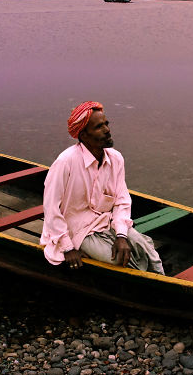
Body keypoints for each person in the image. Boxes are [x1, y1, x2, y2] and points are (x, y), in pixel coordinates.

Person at [41, 101, 164, 274]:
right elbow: (51, 208)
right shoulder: (65, 162)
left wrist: (121, 235)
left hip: (105, 221)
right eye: (99, 127)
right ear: (83, 135)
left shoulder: (116, 159)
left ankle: (160, 279)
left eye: (106, 124)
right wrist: (68, 248)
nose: (107, 130)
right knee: (119, 261)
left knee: (147, 250)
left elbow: (122, 200)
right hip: (77, 230)